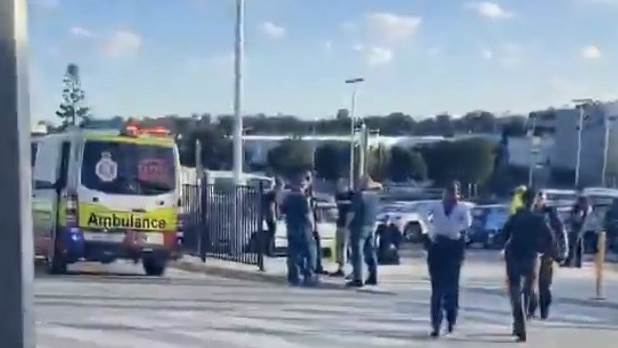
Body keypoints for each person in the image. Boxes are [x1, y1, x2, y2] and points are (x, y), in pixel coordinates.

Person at [501, 188, 557, 342]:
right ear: (533, 202)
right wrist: (544, 250)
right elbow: (550, 238)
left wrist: (504, 247)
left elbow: (504, 233)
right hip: (531, 259)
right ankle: (523, 319)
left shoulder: (516, 217)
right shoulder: (539, 220)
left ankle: (519, 324)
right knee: (527, 291)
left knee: (515, 293)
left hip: (514, 257)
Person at [426, 181, 471, 338]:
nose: (452, 195)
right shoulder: (436, 206)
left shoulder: (462, 208)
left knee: (451, 288)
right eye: (449, 192)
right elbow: (424, 215)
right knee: (437, 289)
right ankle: (436, 324)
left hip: (454, 247)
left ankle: (451, 319)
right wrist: (430, 231)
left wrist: (458, 232)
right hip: (438, 246)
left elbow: (467, 224)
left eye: (455, 192)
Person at [527, 191, 568, 320]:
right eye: (537, 199)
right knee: (530, 283)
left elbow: (561, 232)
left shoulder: (551, 214)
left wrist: (563, 252)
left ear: (544, 200)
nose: (538, 201)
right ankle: (530, 309)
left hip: (547, 252)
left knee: (545, 284)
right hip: (532, 252)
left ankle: (544, 310)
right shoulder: (529, 212)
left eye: (541, 199)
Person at [280, 176, 318, 286]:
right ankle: (309, 275)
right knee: (310, 251)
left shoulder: (288, 198)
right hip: (304, 228)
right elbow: (308, 214)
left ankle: (293, 276)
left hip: (291, 227)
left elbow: (281, 211)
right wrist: (313, 227)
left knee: (293, 253)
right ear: (302, 186)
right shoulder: (302, 199)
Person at [345, 175, 381, 287]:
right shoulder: (375, 197)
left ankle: (358, 278)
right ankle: (373, 276)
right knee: (370, 252)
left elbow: (352, 213)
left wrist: (347, 225)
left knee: (357, 253)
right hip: (371, 225)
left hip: (359, 227)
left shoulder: (359, 196)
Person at [331, 178, 353, 277]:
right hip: (340, 224)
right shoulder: (338, 196)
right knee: (339, 246)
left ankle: (349, 268)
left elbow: (351, 212)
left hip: (347, 225)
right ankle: (340, 267)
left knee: (345, 247)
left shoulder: (351, 196)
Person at [566, 196, 590, 268]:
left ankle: (571, 261)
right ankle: (577, 262)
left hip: (578, 228)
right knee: (578, 244)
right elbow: (572, 217)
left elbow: (577, 219)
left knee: (573, 244)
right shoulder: (579, 208)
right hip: (577, 228)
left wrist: (573, 216)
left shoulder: (582, 209)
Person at [262, 178, 283, 257]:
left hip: (268, 215)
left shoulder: (270, 193)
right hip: (271, 215)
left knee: (271, 233)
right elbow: (273, 206)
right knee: (272, 234)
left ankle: (269, 250)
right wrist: (275, 215)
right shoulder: (274, 193)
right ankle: (269, 251)